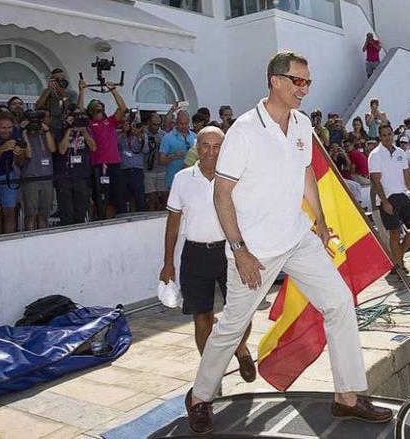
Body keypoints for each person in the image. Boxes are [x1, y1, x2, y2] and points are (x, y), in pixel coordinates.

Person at [185, 51, 392, 434]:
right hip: (256, 252)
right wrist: (239, 250)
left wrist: (322, 223)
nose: (305, 89)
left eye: (308, 82)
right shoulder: (244, 131)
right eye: (299, 81)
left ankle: (347, 397)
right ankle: (199, 398)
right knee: (232, 326)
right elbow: (222, 195)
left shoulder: (300, 125)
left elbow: (306, 174)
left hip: (298, 239)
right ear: (275, 81)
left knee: (340, 303)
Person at [160, 126, 256, 382]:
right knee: (202, 318)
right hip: (195, 256)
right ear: (197, 148)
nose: (211, 152)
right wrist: (168, 262)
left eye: (217, 147)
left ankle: (241, 348)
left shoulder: (238, 179)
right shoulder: (182, 179)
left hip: (231, 253)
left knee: (241, 313)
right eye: (205, 146)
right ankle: (211, 375)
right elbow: (172, 223)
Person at [369, 123, 410, 270]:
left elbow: (407, 176)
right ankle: (399, 266)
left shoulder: (400, 152)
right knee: (395, 233)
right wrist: (385, 202)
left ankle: (396, 258)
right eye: (384, 135)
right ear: (380, 137)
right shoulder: (375, 155)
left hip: (402, 195)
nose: (387, 137)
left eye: (389, 134)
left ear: (393, 134)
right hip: (387, 198)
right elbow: (376, 180)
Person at [78, 80, 128, 220]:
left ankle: (110, 223)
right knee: (100, 198)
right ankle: (98, 223)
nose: (100, 111)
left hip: (114, 164)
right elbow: (80, 112)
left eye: (101, 109)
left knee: (114, 198)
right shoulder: (89, 124)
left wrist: (113, 90)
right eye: (96, 109)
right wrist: (82, 91)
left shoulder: (110, 122)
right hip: (99, 165)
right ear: (91, 111)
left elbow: (122, 108)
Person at [55, 108, 96, 225]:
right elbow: (62, 151)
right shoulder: (60, 130)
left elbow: (93, 148)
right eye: (74, 116)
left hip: (81, 176)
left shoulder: (87, 130)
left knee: (80, 212)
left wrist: (84, 132)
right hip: (64, 176)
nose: (76, 119)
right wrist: (68, 131)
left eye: (79, 116)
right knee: (66, 213)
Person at [20, 110, 56, 230]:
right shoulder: (25, 135)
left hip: (47, 177)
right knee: (31, 215)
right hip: (31, 177)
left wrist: (45, 130)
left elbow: (52, 149)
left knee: (43, 214)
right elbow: (28, 154)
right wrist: (24, 132)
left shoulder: (46, 133)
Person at [158, 110, 195, 191]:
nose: (184, 126)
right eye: (181, 123)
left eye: (186, 123)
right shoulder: (167, 138)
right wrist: (173, 156)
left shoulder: (195, 137)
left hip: (192, 181)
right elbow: (161, 160)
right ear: (176, 122)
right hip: (173, 180)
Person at [35, 69, 77, 138]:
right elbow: (38, 106)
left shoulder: (72, 93)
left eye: (62, 78)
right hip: (53, 126)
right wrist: (48, 90)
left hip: (67, 126)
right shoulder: (48, 92)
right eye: (57, 79)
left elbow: (70, 108)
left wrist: (61, 92)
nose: (60, 81)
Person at [118, 119, 147, 212]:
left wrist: (139, 138)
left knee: (139, 198)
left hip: (137, 171)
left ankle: (140, 216)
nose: (133, 128)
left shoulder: (142, 135)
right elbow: (113, 144)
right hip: (123, 170)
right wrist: (123, 132)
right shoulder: (121, 135)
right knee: (123, 198)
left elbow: (145, 150)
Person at [143, 113, 167, 211]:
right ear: (148, 122)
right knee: (151, 197)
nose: (156, 127)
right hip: (148, 170)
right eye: (154, 124)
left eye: (158, 125)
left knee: (164, 197)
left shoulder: (164, 135)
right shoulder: (143, 133)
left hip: (162, 169)